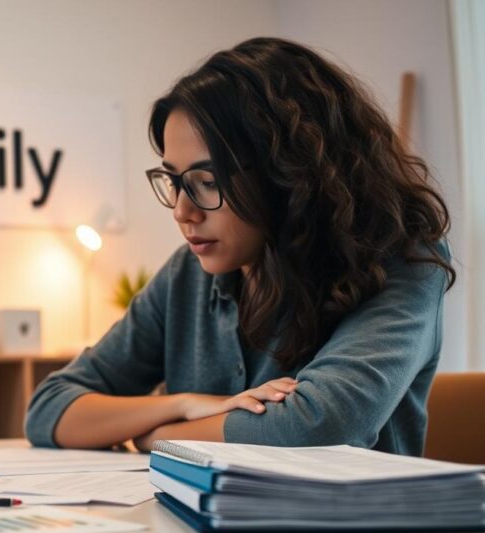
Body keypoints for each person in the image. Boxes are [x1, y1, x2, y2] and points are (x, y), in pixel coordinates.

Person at [25, 37, 455, 456]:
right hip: (200, 525)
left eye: (207, 182)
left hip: (352, 526)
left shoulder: (403, 259)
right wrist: (184, 404)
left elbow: (322, 426)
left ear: (291, 173)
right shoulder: (188, 273)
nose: (182, 212)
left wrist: (156, 437)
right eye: (174, 182)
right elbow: (49, 409)